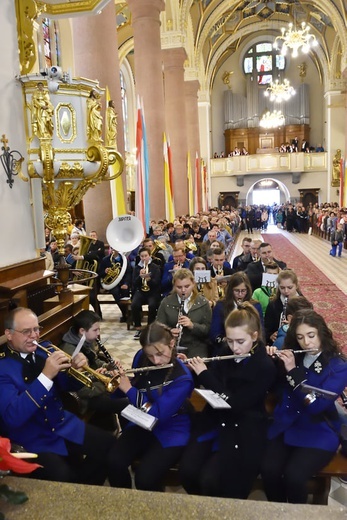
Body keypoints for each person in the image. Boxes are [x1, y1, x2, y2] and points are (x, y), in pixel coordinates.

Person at [0, 307, 115, 484]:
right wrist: (45, 376)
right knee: (63, 477)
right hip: (32, 437)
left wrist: (75, 370)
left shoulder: (43, 350)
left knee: (109, 446)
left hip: (62, 423)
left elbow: (67, 385)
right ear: (9, 334)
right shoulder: (3, 368)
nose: (34, 336)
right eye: (26, 331)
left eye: (36, 329)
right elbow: (13, 417)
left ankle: (86, 488)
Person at [179, 302, 277, 498]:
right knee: (187, 472)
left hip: (243, 426)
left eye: (240, 341)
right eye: (230, 341)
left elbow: (237, 404)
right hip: (215, 419)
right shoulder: (225, 349)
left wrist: (205, 375)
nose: (235, 348)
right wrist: (194, 370)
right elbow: (215, 379)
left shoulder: (265, 365)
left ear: (255, 336)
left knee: (213, 480)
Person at [262, 309, 347, 503]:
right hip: (286, 423)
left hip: (317, 430)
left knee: (295, 476)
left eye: (311, 335)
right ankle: (278, 510)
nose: (306, 343)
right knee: (268, 470)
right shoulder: (295, 355)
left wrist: (293, 372)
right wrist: (271, 362)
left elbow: (316, 407)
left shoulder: (339, 366)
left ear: (321, 333)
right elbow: (275, 389)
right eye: (300, 337)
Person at [107, 322, 194, 491]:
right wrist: (117, 382)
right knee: (114, 461)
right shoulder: (141, 356)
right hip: (142, 422)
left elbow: (158, 414)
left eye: (160, 354)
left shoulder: (183, 378)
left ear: (171, 344)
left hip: (172, 428)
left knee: (145, 478)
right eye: (150, 355)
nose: (156, 361)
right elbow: (136, 386)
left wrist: (129, 389)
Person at [60, 310, 129, 425]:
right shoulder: (70, 352)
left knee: (128, 388)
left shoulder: (87, 340)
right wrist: (107, 383)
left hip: (95, 384)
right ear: (82, 331)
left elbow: (94, 360)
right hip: (84, 397)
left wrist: (107, 366)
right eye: (95, 330)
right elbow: (83, 390)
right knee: (124, 403)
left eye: (99, 329)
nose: (98, 333)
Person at [156, 268, 212, 358]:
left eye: (187, 286)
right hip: (171, 346)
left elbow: (208, 330)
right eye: (179, 287)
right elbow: (158, 327)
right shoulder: (166, 302)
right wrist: (169, 332)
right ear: (174, 286)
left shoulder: (203, 302)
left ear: (193, 284)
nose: (183, 290)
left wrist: (192, 325)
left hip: (196, 346)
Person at [210, 272, 264, 351]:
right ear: (231, 290)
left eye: (243, 291)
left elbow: (261, 331)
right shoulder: (221, 305)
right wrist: (226, 340)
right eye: (236, 291)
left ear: (248, 290)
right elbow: (214, 333)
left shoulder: (256, 306)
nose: (240, 294)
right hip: (226, 347)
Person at [265, 269, 302, 345]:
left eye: (290, 287)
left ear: (296, 286)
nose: (286, 291)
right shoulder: (273, 305)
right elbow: (266, 328)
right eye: (282, 288)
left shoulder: (303, 304)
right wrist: (270, 335)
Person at [131, 247, 162, 339]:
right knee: (134, 305)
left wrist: (149, 280)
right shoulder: (137, 268)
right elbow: (134, 283)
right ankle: (138, 327)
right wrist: (140, 277)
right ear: (140, 257)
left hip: (152, 292)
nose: (144, 258)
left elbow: (157, 283)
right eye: (142, 256)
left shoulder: (155, 267)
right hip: (140, 291)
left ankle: (149, 326)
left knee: (152, 305)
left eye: (146, 256)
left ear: (149, 256)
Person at [99, 249, 132, 322]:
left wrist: (126, 283)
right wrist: (105, 272)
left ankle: (128, 314)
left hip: (123, 282)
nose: (113, 250)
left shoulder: (125, 260)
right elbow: (100, 273)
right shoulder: (105, 260)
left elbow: (129, 273)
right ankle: (125, 313)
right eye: (112, 248)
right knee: (115, 293)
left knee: (125, 293)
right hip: (112, 284)